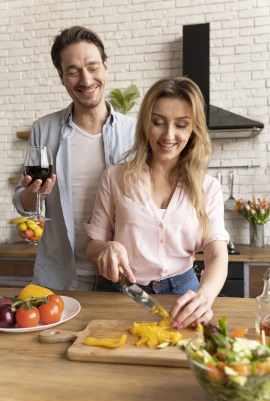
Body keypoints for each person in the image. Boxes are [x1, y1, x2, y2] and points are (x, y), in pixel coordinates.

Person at [85, 76, 229, 328]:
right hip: (126, 292)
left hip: (185, 294)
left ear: (193, 129)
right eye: (158, 122)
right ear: (145, 124)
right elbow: (92, 246)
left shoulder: (209, 188)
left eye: (181, 125)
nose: (168, 135)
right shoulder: (115, 177)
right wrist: (106, 247)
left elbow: (217, 254)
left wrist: (204, 297)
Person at [12, 26, 136, 291]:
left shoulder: (135, 132)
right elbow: (23, 202)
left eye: (93, 67)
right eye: (73, 71)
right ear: (61, 77)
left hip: (122, 276)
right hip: (60, 276)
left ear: (105, 66)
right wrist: (35, 194)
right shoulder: (43, 130)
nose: (86, 80)